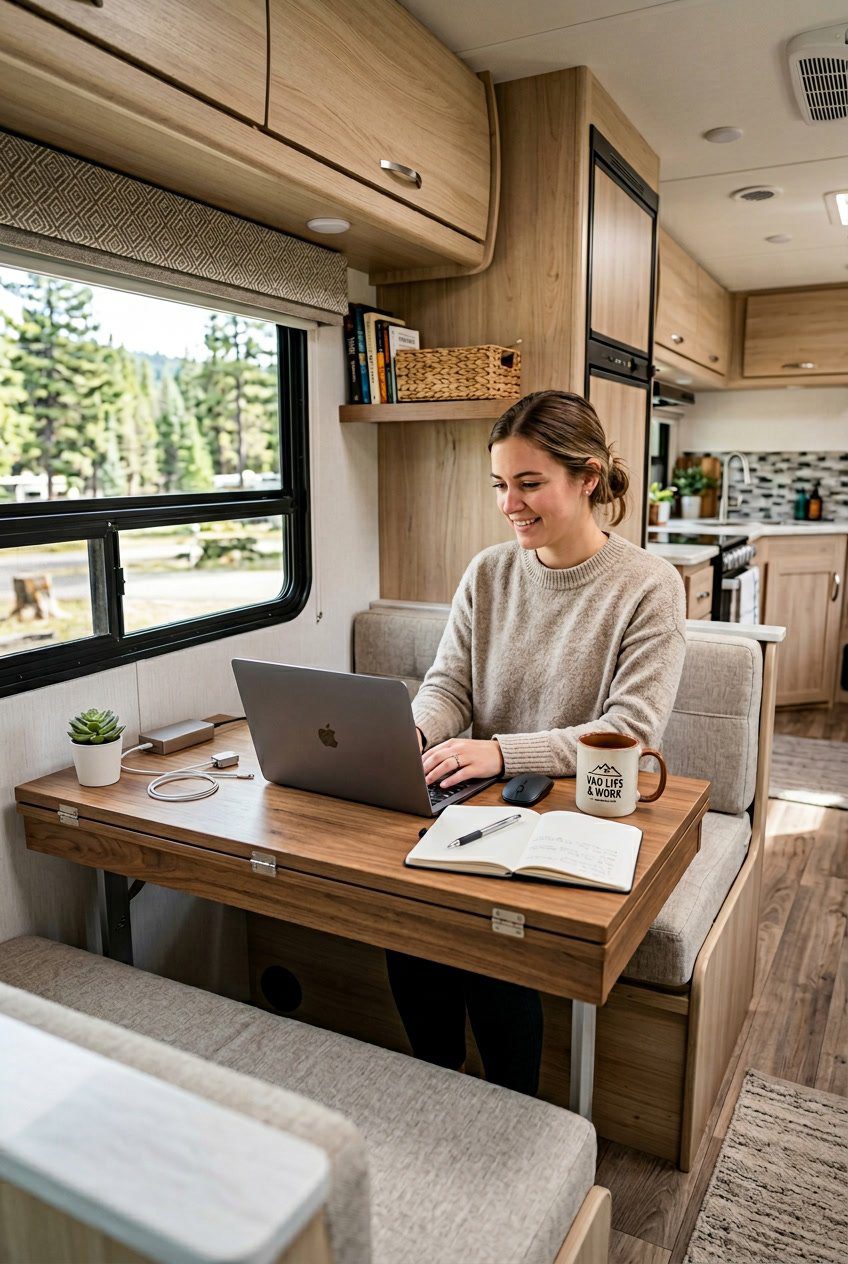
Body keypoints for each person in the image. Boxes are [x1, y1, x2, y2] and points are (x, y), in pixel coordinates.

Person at [385, 389, 687, 1095]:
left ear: (587, 479)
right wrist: (414, 731)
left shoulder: (650, 586)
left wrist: (500, 752)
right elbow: (449, 686)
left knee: (498, 934)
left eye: (528, 483)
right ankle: (438, 1090)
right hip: (480, 800)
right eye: (499, 484)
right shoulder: (488, 572)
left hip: (578, 809)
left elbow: (631, 729)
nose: (509, 504)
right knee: (409, 914)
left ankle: (511, 1109)